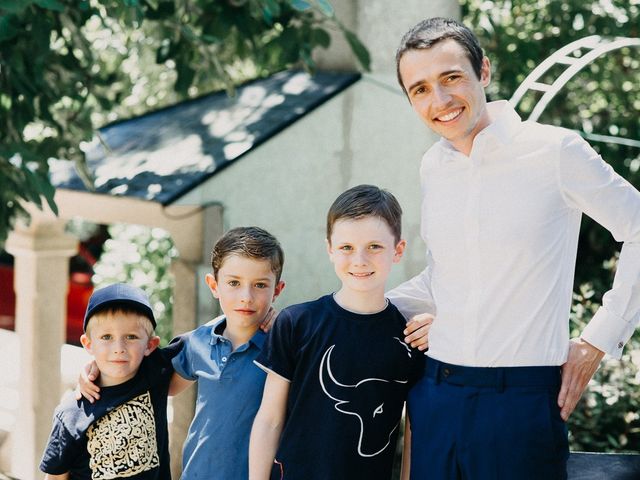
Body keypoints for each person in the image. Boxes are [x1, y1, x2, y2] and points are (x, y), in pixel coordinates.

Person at [389, 17, 640, 479]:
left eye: (451, 78)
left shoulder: (556, 151)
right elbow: (441, 274)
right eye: (419, 89)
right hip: (434, 397)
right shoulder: (433, 167)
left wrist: (596, 340)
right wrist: (333, 315)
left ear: (482, 71)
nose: (439, 101)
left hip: (520, 405)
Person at [78, 226, 286, 479]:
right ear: (213, 285)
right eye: (233, 283)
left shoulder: (286, 346)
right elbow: (142, 377)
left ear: (277, 290)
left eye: (260, 285)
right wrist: (96, 371)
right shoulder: (197, 343)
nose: (246, 296)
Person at [249, 184, 425, 480]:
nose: (359, 260)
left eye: (374, 246)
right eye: (346, 248)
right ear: (330, 248)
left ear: (398, 250)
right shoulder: (297, 322)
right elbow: (269, 420)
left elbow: (413, 432)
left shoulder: (409, 338)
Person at [40, 283, 180, 479]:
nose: (118, 347)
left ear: (150, 345)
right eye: (106, 337)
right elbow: (55, 477)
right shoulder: (71, 413)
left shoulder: (155, 373)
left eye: (131, 336)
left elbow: (207, 336)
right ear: (88, 344)